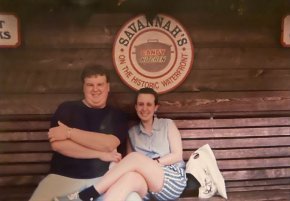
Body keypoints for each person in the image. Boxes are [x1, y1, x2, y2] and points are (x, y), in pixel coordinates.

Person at [29, 65, 141, 201]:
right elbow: (59, 146)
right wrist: (100, 154)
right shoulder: (67, 109)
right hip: (62, 178)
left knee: (133, 198)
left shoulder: (117, 115)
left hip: (103, 181)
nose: (95, 89)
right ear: (84, 87)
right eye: (90, 85)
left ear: (108, 87)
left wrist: (69, 133)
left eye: (100, 84)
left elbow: (108, 144)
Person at [54, 87, 187, 201]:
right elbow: (130, 163)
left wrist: (151, 164)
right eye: (140, 104)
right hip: (146, 185)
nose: (144, 108)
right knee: (127, 179)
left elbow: (177, 155)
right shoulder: (132, 132)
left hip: (171, 180)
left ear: (155, 107)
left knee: (135, 158)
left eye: (149, 104)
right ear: (136, 107)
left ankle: (86, 195)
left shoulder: (167, 124)